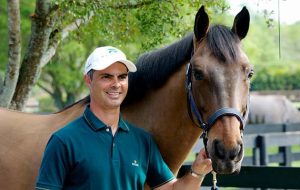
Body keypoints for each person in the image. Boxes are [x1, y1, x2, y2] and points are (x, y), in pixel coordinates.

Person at [35, 46, 212, 190]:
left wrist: (197, 171)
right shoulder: (64, 140)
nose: (116, 84)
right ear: (88, 80)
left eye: (122, 77)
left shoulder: (142, 141)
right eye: (106, 77)